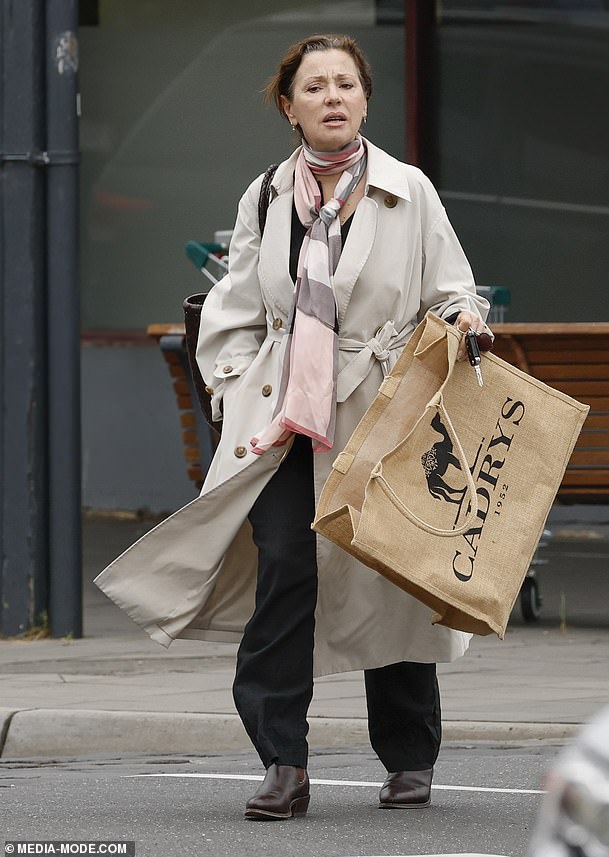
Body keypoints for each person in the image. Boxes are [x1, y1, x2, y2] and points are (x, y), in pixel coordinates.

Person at [95, 33, 492, 821]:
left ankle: (410, 758)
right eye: (316, 87)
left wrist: (464, 319)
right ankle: (283, 760)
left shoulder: (410, 190)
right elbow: (234, 306)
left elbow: (453, 288)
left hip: (382, 415)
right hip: (284, 419)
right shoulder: (268, 197)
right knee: (284, 572)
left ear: (365, 100)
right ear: (290, 105)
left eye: (346, 84)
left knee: (390, 577)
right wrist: (239, 388)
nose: (333, 97)